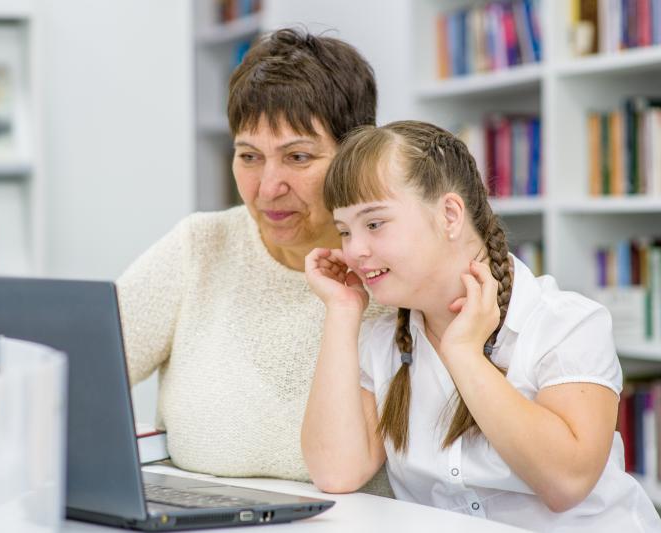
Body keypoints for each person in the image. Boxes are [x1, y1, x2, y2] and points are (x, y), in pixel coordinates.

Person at [302, 120, 661, 530]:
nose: (355, 251)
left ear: (450, 215)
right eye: (345, 231)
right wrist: (342, 310)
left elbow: (567, 483)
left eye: (374, 224)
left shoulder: (566, 322)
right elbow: (335, 472)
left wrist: (463, 355)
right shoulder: (381, 338)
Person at [116, 28, 393, 494]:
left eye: (298, 157)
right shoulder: (201, 245)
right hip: (193, 517)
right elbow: (72, 371)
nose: (267, 187)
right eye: (248, 156)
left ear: (354, 157)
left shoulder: (393, 272)